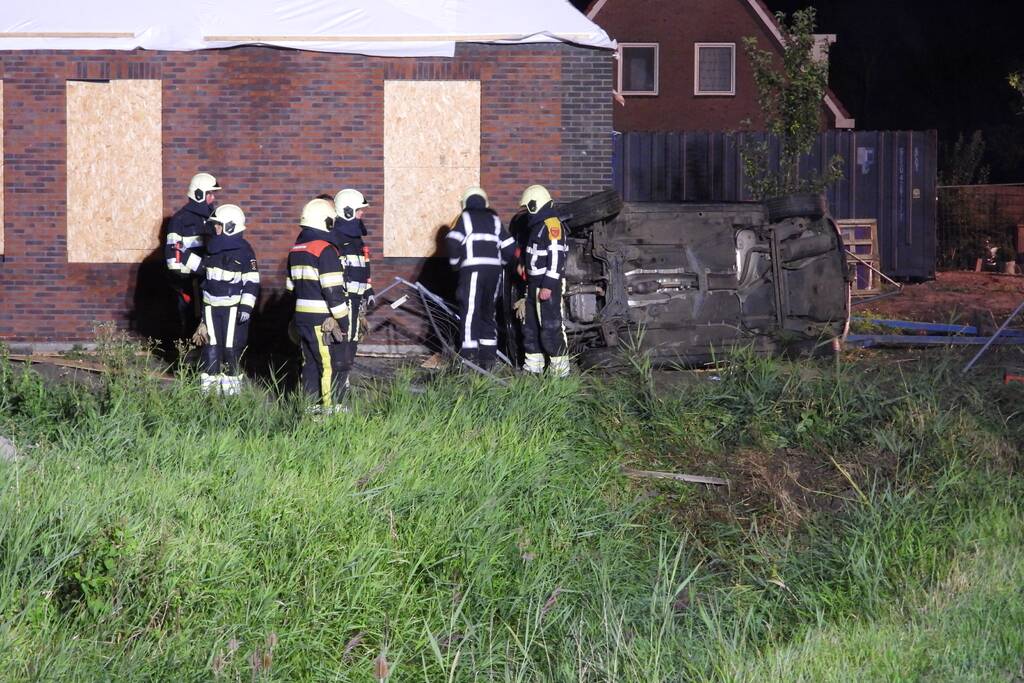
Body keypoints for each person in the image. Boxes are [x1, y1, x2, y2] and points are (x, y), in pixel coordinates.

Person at [180, 204, 260, 394]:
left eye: (219, 225)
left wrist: (246, 307)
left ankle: (231, 395)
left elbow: (252, 281)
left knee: (231, 349)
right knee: (211, 348)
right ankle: (209, 393)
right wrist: (184, 257)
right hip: (210, 308)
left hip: (233, 309)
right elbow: (204, 269)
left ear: (230, 226)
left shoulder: (245, 251)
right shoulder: (212, 249)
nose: (215, 229)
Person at [286, 198, 352, 413]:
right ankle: (330, 412)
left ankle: (310, 411)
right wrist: (344, 322)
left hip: (301, 317)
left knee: (310, 364)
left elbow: (290, 288)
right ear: (327, 222)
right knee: (328, 365)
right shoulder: (325, 250)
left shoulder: (296, 249)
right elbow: (333, 291)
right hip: (323, 319)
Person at [446, 186, 517, 369]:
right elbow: (510, 246)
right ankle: (488, 362)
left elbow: (452, 240)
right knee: (488, 313)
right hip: (494, 273)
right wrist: (500, 262)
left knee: (470, 313)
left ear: (465, 203)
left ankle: (469, 361)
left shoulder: (465, 218)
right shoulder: (494, 219)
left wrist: (455, 264)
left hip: (473, 271)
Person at [518, 184, 570, 377]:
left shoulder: (551, 225)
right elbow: (534, 253)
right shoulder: (538, 226)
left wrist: (548, 286)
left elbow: (556, 258)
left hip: (547, 286)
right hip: (533, 284)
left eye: (527, 207)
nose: (526, 212)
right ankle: (533, 368)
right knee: (530, 327)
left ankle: (560, 373)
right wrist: (523, 265)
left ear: (534, 204)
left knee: (551, 327)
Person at [165, 172, 221, 338]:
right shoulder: (180, 220)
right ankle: (188, 359)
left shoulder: (213, 218)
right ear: (198, 194)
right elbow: (173, 253)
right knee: (190, 320)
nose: (212, 198)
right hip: (189, 280)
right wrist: (184, 278)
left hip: (208, 278)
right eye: (209, 193)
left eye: (213, 194)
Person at [332, 189, 375, 373]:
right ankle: (339, 382)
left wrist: (368, 291)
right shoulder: (336, 239)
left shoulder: (357, 240)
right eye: (359, 210)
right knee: (344, 340)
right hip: (344, 299)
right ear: (347, 211)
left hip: (357, 300)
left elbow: (364, 268)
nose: (362, 213)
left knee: (353, 339)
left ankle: (344, 379)